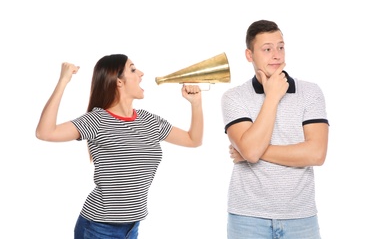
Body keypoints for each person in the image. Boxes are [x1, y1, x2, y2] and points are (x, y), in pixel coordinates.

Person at [35, 54, 203, 239]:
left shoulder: (149, 121)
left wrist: (196, 104)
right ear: (118, 82)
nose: (141, 73)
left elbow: (192, 140)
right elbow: (45, 132)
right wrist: (63, 81)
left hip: (132, 226)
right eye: (132, 69)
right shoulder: (97, 120)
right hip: (98, 228)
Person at [221, 20, 329, 239]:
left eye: (280, 47)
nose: (277, 55)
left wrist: (253, 153)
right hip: (247, 218)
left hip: (301, 217)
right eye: (267, 49)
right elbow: (251, 151)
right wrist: (272, 97)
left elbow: (316, 154)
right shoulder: (234, 97)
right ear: (249, 55)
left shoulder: (310, 92)